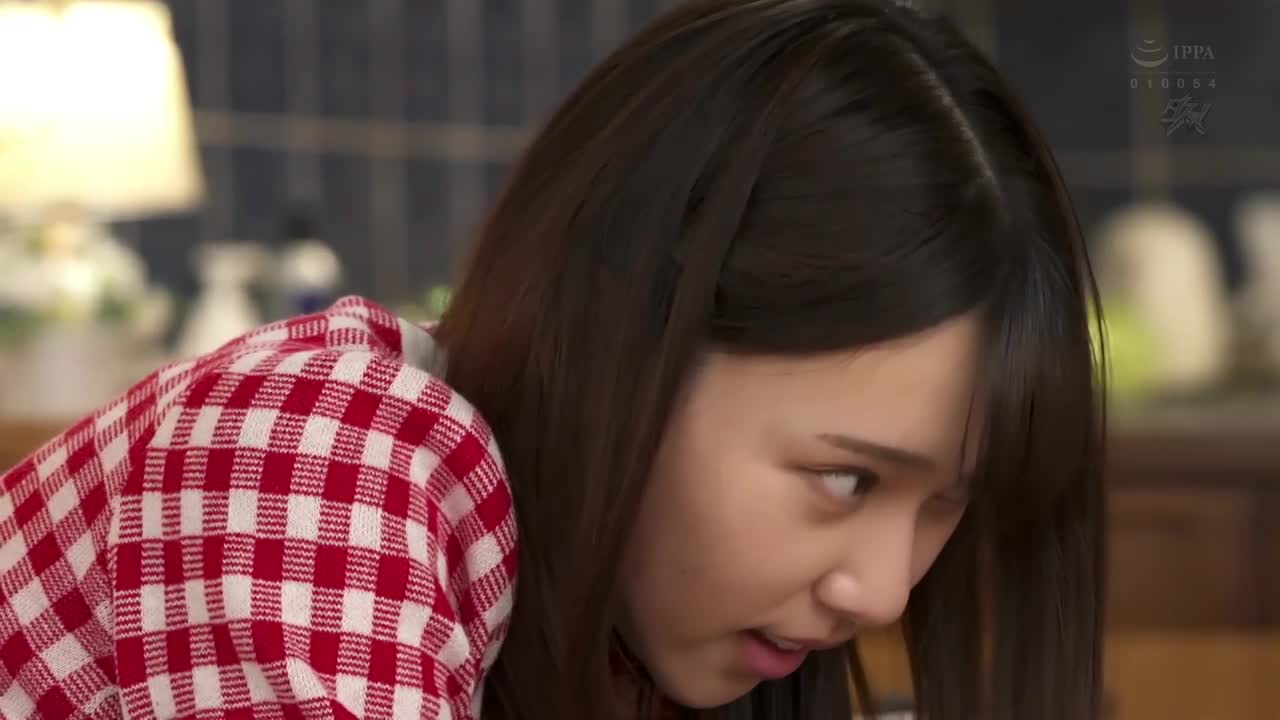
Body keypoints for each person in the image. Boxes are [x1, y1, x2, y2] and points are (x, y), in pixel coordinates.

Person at [0, 1, 1108, 718]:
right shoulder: (320, 453)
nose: (881, 590)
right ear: (630, 331)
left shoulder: (636, 636)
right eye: (847, 479)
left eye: (943, 504)